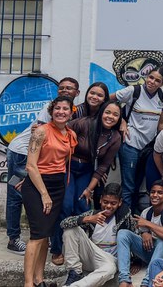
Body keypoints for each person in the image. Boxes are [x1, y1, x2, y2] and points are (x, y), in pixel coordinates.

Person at [5, 78, 79, 257]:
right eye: (61, 88)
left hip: (36, 157)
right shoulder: (53, 108)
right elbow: (37, 130)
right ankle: (13, 239)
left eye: (69, 88)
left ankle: (42, 237)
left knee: (25, 190)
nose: (65, 91)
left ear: (77, 92)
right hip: (22, 152)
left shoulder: (70, 110)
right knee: (17, 194)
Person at [55, 101, 124, 260]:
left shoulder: (115, 137)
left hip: (86, 170)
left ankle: (80, 249)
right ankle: (57, 248)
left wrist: (89, 189)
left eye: (115, 115)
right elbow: (60, 130)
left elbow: (103, 166)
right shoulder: (85, 123)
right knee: (66, 205)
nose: (110, 117)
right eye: (108, 112)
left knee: (82, 206)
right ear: (101, 112)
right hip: (68, 166)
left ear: (119, 118)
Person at [21, 96, 77, 287]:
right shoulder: (41, 132)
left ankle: (39, 279)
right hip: (38, 186)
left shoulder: (70, 134)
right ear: (52, 111)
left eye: (65, 109)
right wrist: (44, 194)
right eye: (57, 108)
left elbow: (64, 161)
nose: (61, 112)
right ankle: (28, 283)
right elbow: (30, 166)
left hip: (57, 186)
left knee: (46, 235)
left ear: (71, 112)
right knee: (37, 235)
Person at [112, 68, 163, 213]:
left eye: (157, 80)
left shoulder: (162, 95)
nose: (152, 82)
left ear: (162, 83)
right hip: (131, 143)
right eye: (150, 77)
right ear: (146, 77)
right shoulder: (134, 90)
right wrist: (121, 122)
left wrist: (162, 140)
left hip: (148, 147)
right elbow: (109, 100)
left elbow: (161, 121)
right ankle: (125, 215)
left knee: (138, 183)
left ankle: (133, 211)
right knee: (129, 184)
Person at [60, 183, 134, 287]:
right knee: (70, 230)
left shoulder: (124, 216)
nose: (108, 206)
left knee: (110, 269)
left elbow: (133, 236)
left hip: (109, 259)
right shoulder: (92, 214)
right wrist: (87, 219)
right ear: (100, 200)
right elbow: (63, 223)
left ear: (120, 203)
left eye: (113, 203)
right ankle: (75, 272)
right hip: (91, 253)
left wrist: (135, 262)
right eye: (105, 202)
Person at [117, 180, 163, 287]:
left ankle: (147, 282)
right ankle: (125, 280)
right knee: (123, 233)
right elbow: (142, 231)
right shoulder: (146, 212)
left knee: (162, 240)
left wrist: (148, 224)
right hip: (152, 254)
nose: (155, 195)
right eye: (152, 192)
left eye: (160, 193)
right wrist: (144, 234)